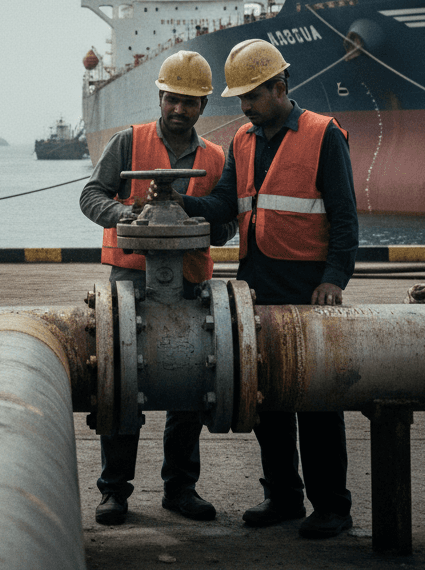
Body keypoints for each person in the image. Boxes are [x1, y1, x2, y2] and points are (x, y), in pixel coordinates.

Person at [164, 38, 359, 540]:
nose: (245, 106)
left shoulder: (323, 135)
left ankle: (333, 506)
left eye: (253, 95)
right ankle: (284, 497)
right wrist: (182, 202)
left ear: (281, 86)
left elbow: (344, 215)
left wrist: (334, 279)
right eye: (241, 98)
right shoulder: (244, 141)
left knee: (316, 402)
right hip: (257, 286)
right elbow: (227, 205)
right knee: (269, 399)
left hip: (308, 286)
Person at [79, 50, 233, 526]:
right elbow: (91, 194)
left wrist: (195, 218)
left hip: (190, 281)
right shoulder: (129, 143)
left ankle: (181, 489)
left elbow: (225, 222)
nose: (179, 110)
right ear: (160, 97)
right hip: (130, 278)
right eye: (172, 100)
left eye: (189, 103)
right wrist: (126, 214)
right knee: (121, 382)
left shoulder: (214, 158)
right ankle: (114, 492)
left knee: (191, 383)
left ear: (203, 106)